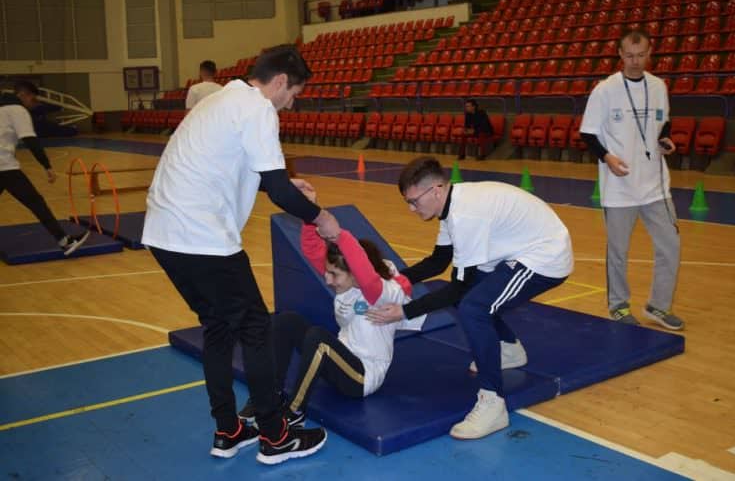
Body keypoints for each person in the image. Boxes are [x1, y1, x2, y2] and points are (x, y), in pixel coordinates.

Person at [142, 45, 340, 465]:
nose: (293, 102)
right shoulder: (258, 108)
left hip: (164, 234)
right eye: (295, 92)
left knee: (217, 327)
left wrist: (290, 186)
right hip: (202, 235)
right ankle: (275, 436)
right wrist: (320, 216)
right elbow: (279, 188)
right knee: (255, 328)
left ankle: (229, 429)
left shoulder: (224, 99)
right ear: (282, 81)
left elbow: (259, 174)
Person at [366, 156, 573, 440]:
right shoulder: (450, 207)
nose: (412, 209)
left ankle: (493, 403)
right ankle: (509, 349)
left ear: (436, 190)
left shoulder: (465, 215)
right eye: (408, 203)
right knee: (472, 296)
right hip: (516, 252)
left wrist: (404, 312)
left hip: (545, 258)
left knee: (473, 307)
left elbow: (458, 288)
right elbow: (439, 261)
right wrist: (393, 279)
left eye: (414, 201)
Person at [238, 188, 425, 425]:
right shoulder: (345, 281)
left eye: (334, 275)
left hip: (362, 377)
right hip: (341, 362)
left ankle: (294, 413)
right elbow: (313, 250)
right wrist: (311, 214)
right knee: (286, 321)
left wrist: (338, 235)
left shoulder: (380, 293)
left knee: (319, 339)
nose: (327, 280)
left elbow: (366, 275)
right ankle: (269, 396)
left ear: (355, 274)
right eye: (327, 273)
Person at [579, 28, 683, 331]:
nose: (635, 61)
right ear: (620, 55)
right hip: (619, 188)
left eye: (641, 55)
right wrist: (607, 157)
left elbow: (663, 123)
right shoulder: (605, 90)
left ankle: (658, 307)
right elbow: (588, 133)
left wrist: (665, 139)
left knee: (671, 247)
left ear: (650, 54)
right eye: (629, 55)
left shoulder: (659, 86)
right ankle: (619, 306)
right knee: (618, 252)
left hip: (656, 185)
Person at [1, 100, 89, 255]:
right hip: (4, 167)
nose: (33, 104)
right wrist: (46, 165)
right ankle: (64, 241)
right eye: (33, 99)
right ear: (24, 95)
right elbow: (30, 139)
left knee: (35, 202)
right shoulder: (17, 110)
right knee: (35, 202)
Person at [14, 81, 78, 138]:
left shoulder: (38, 107)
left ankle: (72, 129)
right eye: (22, 95)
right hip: (33, 129)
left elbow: (47, 108)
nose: (23, 98)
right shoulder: (16, 108)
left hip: (39, 128)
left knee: (56, 129)